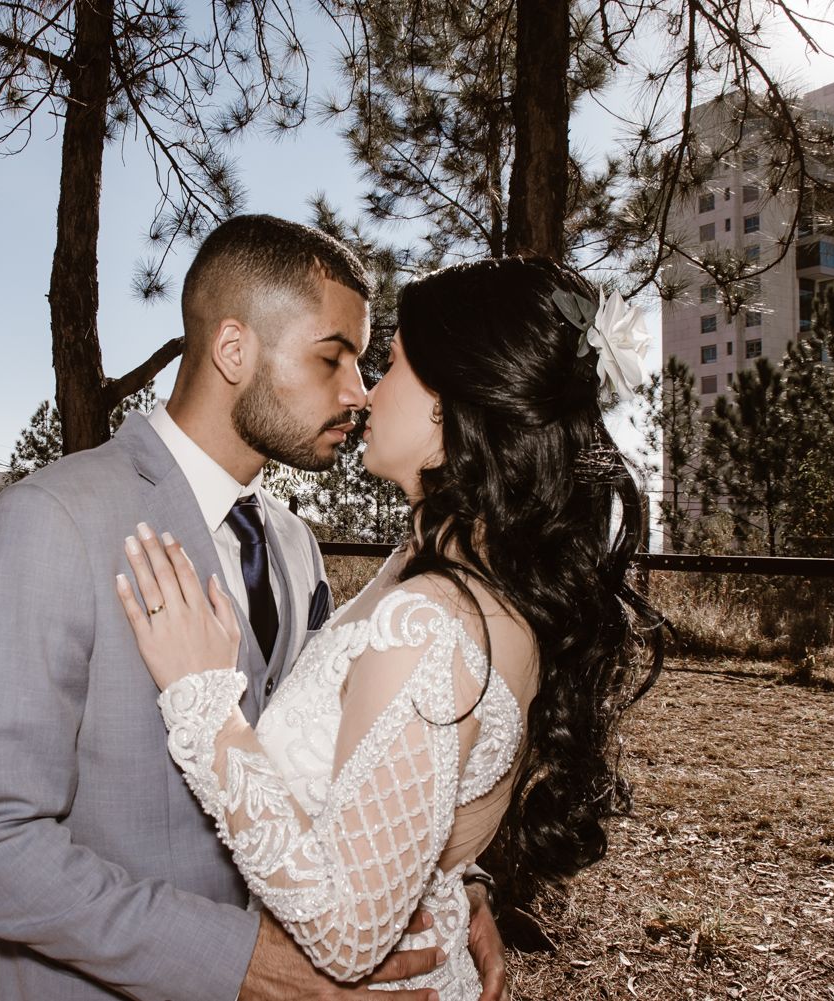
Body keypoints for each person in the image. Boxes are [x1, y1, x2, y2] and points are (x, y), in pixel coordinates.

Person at [0, 214, 507, 1001]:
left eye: (365, 364)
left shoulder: (297, 547)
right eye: (333, 356)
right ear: (235, 350)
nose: (358, 392)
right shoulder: (51, 521)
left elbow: (341, 762)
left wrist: (453, 877)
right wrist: (233, 959)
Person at [115, 255, 665, 999]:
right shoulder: (468, 578)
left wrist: (206, 704)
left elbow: (348, 936)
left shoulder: (430, 621)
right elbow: (421, 796)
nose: (367, 392)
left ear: (451, 404)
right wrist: (457, 881)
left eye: (394, 363)